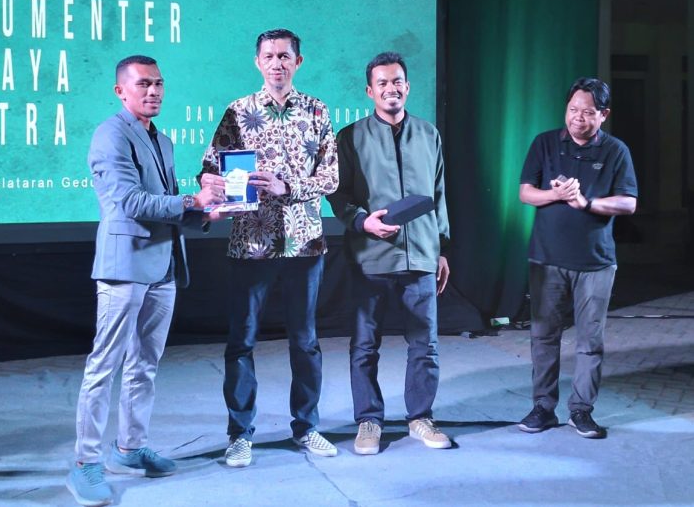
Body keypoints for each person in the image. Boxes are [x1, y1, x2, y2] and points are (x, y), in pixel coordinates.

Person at [67, 55, 225, 507]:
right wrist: (192, 200)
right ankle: (85, 463)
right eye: (143, 84)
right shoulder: (110, 135)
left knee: (145, 365)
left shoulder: (164, 140)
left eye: (158, 83)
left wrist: (206, 214)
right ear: (121, 91)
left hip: (162, 267)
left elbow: (167, 206)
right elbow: (131, 202)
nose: (153, 91)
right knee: (104, 366)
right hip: (125, 266)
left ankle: (130, 449)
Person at [199, 28, 339, 467]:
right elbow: (210, 167)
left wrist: (287, 186)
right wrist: (212, 184)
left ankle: (307, 426)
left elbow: (331, 177)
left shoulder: (317, 110)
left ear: (298, 61)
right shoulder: (238, 111)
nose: (277, 63)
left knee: (306, 341)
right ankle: (240, 435)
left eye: (284, 55)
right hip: (251, 243)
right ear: (257, 62)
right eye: (269, 56)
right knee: (241, 342)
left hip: (305, 243)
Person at [327, 51, 451, 455]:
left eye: (397, 81)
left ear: (407, 86)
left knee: (425, 344)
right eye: (382, 83)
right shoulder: (350, 137)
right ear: (370, 91)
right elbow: (338, 195)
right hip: (372, 256)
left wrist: (441, 249)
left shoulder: (428, 134)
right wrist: (363, 222)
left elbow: (438, 194)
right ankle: (369, 420)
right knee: (365, 345)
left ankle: (420, 418)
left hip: (422, 255)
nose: (390, 88)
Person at [518, 77, 638, 439]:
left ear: (603, 115)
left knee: (590, 341)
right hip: (546, 259)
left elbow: (628, 203)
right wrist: (556, 195)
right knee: (543, 336)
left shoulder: (616, 151)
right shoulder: (545, 143)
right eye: (573, 110)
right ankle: (542, 407)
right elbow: (526, 193)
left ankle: (581, 411)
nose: (578, 118)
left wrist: (586, 202)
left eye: (587, 112)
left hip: (596, 262)